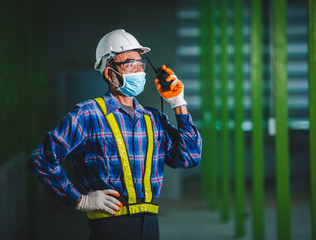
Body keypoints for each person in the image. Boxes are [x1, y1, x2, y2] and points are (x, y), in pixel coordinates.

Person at [28, 29, 202, 240]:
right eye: (130, 65)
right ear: (110, 73)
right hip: (110, 228)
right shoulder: (86, 114)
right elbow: (41, 159)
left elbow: (190, 157)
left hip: (150, 227)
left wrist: (179, 104)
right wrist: (79, 200)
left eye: (141, 65)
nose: (138, 71)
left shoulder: (153, 118)